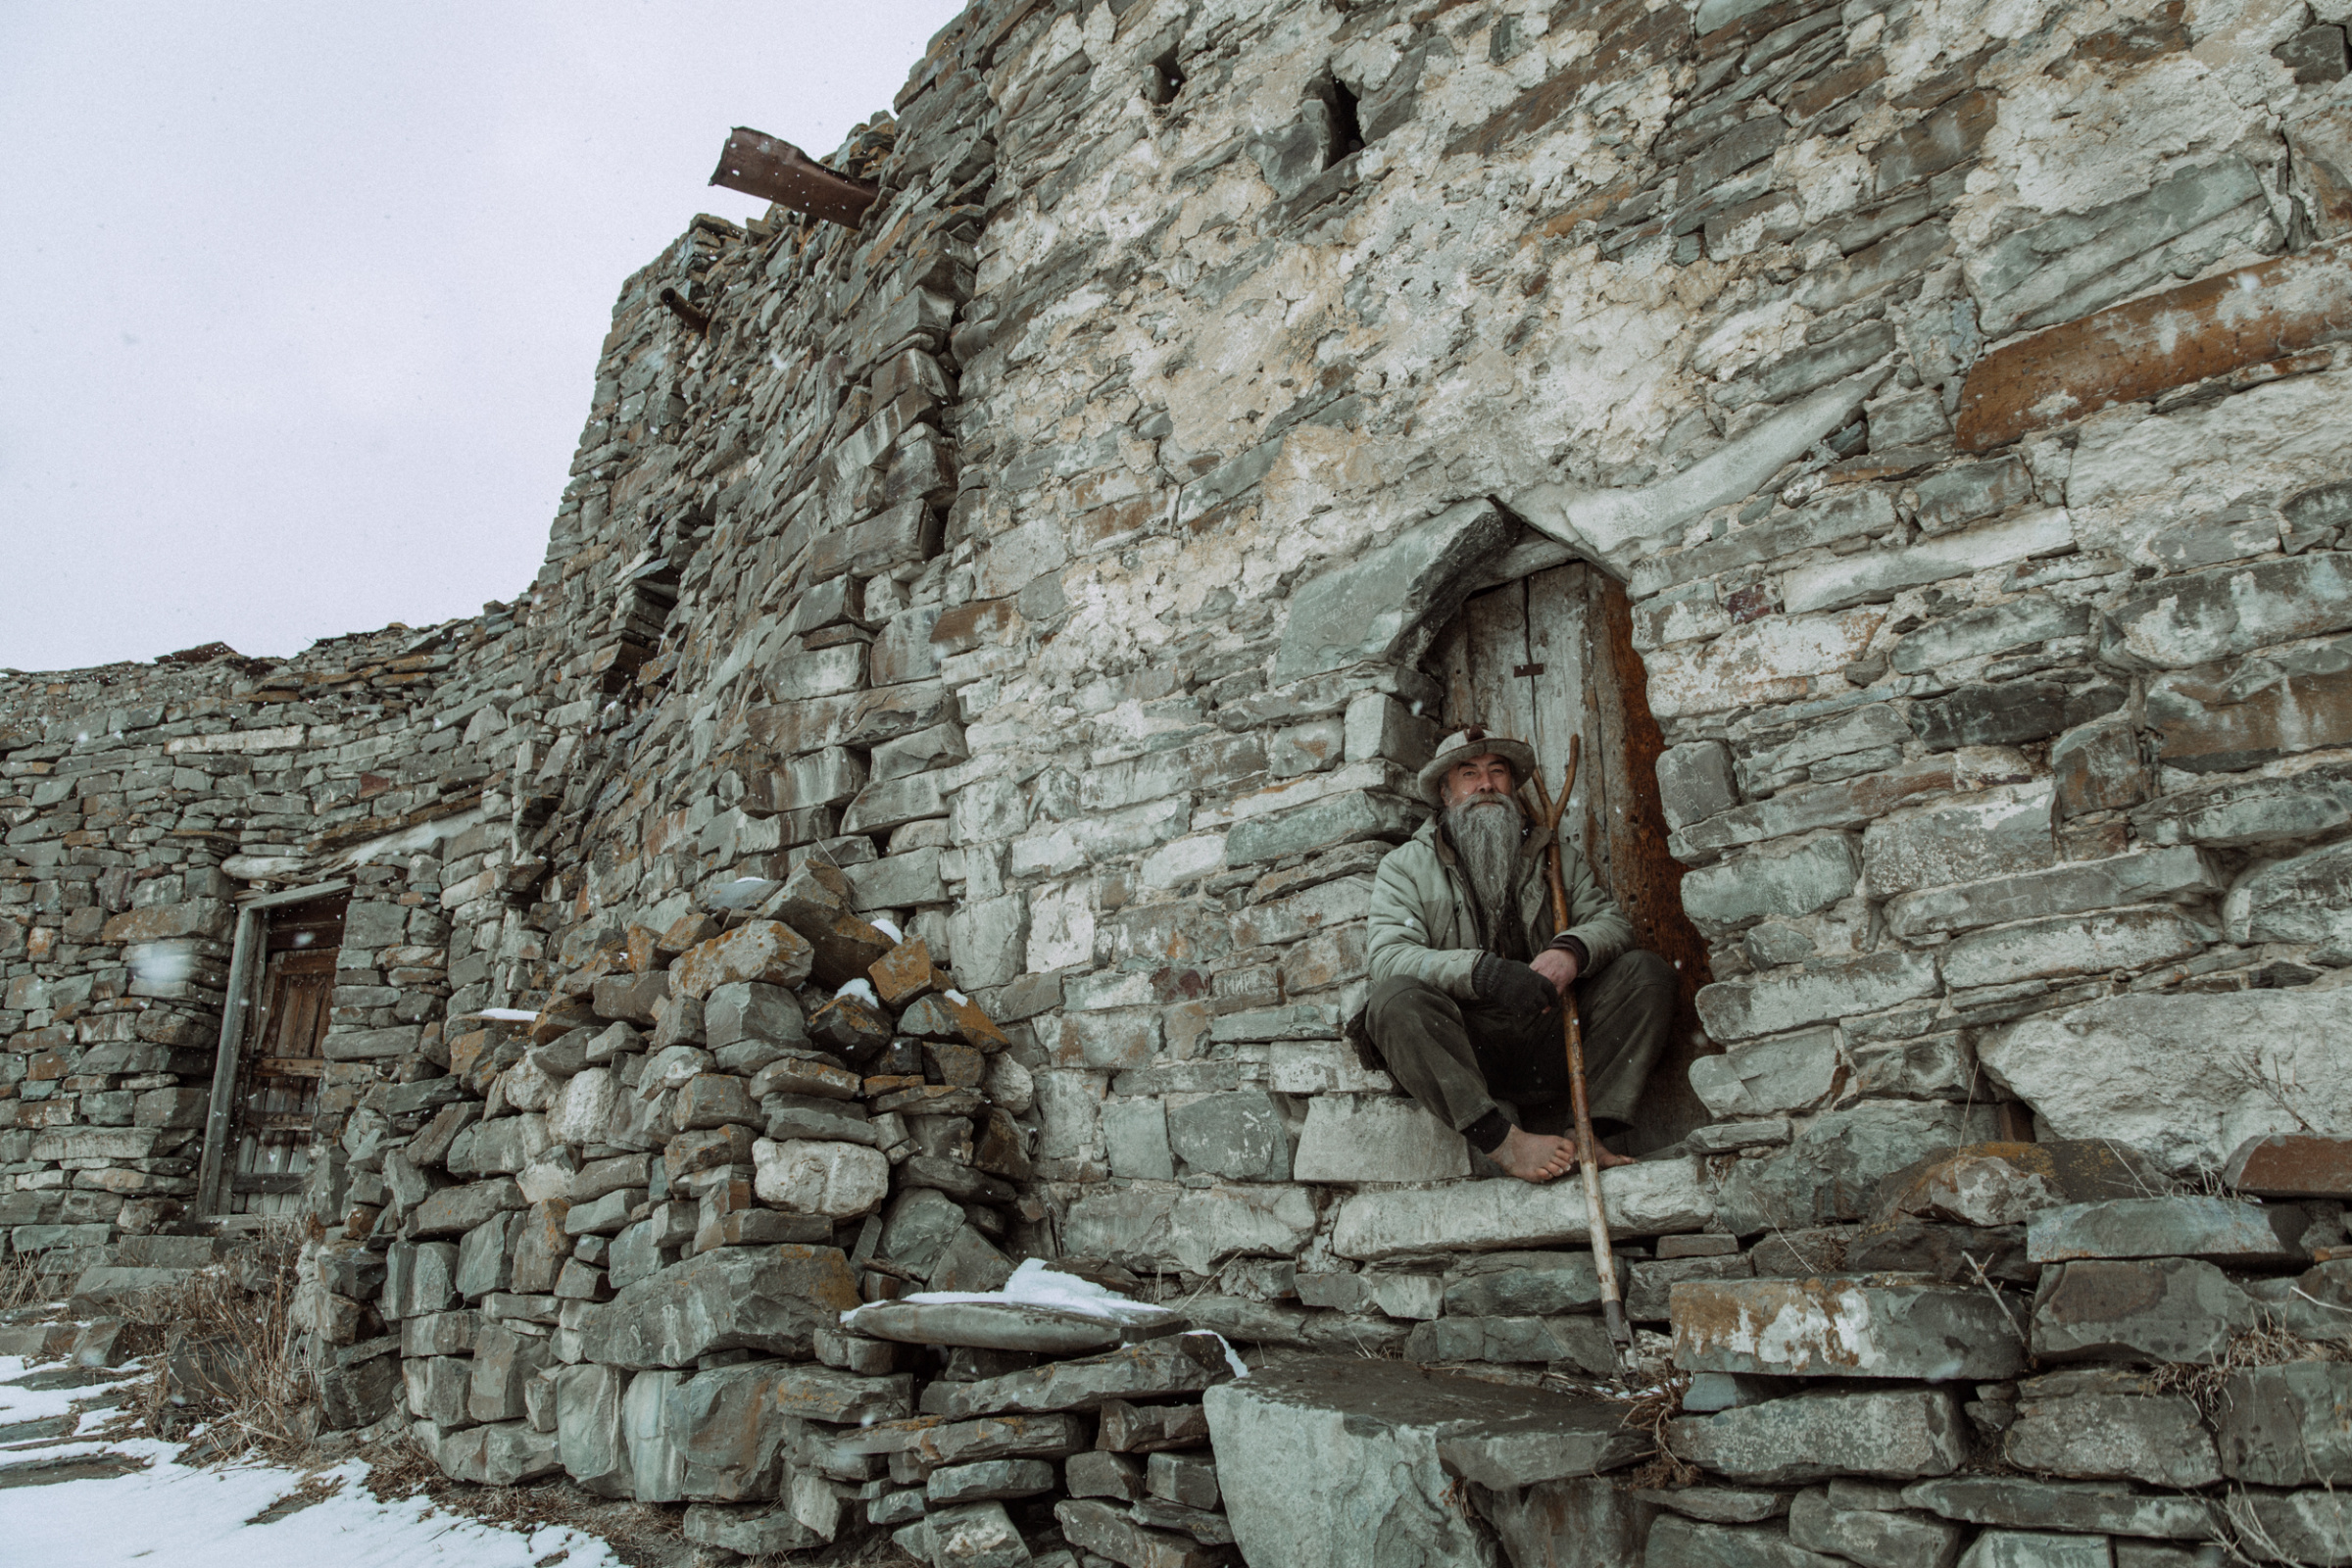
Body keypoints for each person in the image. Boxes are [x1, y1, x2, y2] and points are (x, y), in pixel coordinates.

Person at [1364, 725, 1676, 1183]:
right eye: (1468, 774)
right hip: (1468, 1050)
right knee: (1393, 1001)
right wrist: (1482, 973)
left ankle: (1591, 1131)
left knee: (1646, 973)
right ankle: (1504, 1142)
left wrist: (1571, 952)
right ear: (1447, 794)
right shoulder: (1405, 868)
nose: (1486, 784)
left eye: (1497, 772)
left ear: (1512, 786)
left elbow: (1612, 926)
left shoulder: (1555, 857)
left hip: (1551, 1033)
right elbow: (1388, 957)